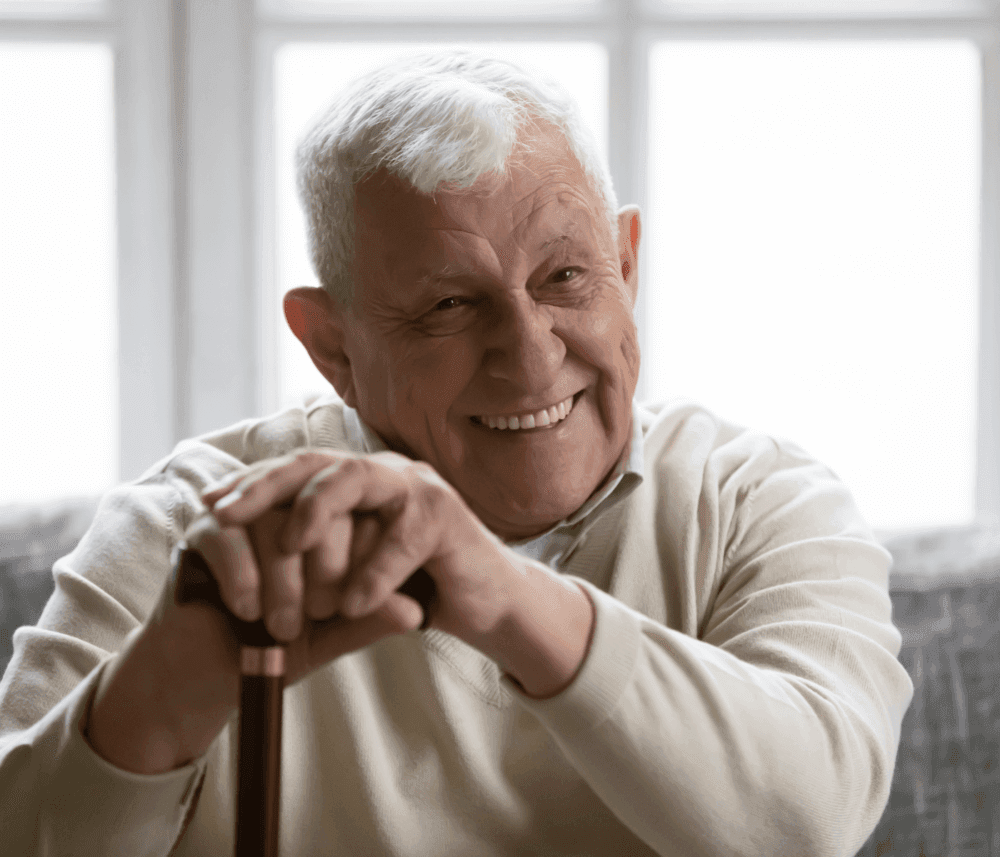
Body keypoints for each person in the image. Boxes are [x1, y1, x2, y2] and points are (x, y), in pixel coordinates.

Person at [0, 51, 912, 856]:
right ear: (334, 349)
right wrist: (174, 679)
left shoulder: (764, 501)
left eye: (566, 277)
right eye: (447, 305)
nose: (530, 352)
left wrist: (504, 595)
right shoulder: (189, 522)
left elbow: (809, 823)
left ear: (626, 267)